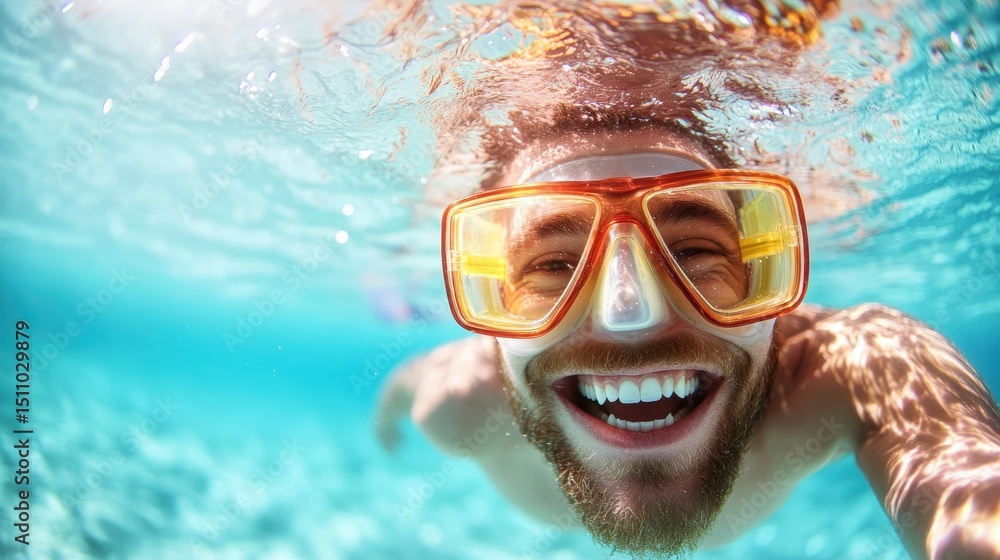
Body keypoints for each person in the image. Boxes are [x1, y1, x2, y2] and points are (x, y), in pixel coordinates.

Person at [372, 1, 1000, 558]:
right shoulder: (455, 406)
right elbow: (406, 388)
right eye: (554, 265)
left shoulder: (848, 372)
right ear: (494, 307)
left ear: (763, 273)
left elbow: (965, 485)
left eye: (697, 250)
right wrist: (388, 418)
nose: (630, 315)